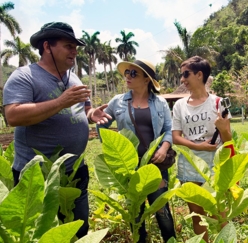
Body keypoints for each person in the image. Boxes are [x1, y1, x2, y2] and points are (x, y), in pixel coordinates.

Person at [2, 22, 111, 238]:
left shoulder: (74, 78)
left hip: (74, 169)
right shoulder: (25, 76)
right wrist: (61, 102)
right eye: (68, 45)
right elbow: (13, 116)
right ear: (47, 47)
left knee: (78, 227)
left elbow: (85, 109)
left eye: (76, 47)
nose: (74, 51)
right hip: (38, 174)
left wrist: (92, 115)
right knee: (44, 234)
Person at [97, 59, 176, 243]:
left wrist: (164, 148)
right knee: (136, 215)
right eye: (127, 73)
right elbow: (102, 124)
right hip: (129, 167)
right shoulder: (117, 102)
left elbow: (169, 129)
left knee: (162, 212)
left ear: (147, 79)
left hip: (155, 166)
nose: (128, 77)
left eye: (134, 73)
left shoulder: (160, 103)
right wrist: (111, 148)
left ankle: (170, 240)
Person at [172, 56, 232, 241]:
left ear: (199, 75)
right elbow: (176, 138)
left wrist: (223, 129)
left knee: (218, 211)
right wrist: (199, 146)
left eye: (186, 74)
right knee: (196, 212)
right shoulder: (179, 105)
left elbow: (228, 139)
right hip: (190, 165)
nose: (182, 79)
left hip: (215, 164)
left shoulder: (218, 103)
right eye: (181, 75)